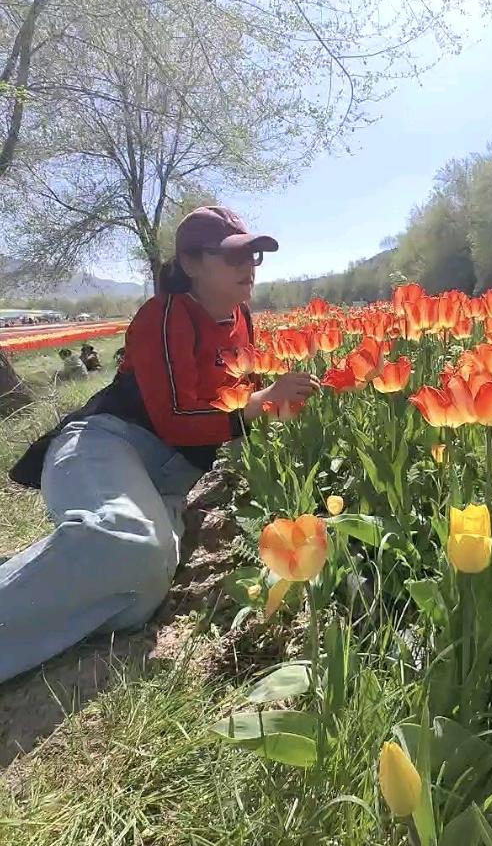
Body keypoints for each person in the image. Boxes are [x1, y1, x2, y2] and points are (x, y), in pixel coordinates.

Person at [0, 206, 320, 683]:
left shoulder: (241, 319)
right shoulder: (166, 316)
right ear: (190, 264)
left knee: (142, 588)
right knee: (128, 544)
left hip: (167, 479)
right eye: (233, 257)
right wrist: (258, 404)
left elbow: (238, 399)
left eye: (253, 257)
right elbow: (175, 418)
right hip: (106, 444)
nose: (249, 268)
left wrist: (277, 409)